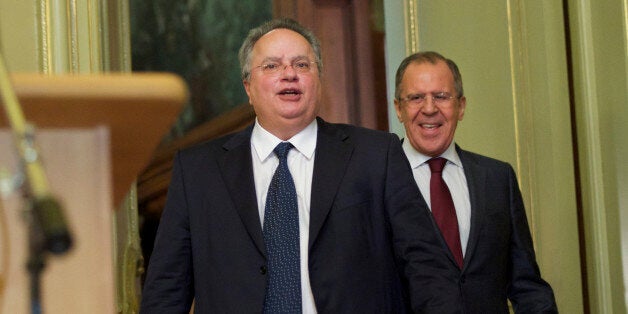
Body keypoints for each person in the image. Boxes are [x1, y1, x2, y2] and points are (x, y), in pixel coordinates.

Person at [140, 18, 445, 313]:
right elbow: (167, 288)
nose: (289, 74)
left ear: (318, 80)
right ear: (248, 86)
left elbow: (426, 266)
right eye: (272, 65)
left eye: (302, 64)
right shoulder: (198, 171)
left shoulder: (376, 155)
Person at [394, 51, 558, 313]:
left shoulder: (496, 179)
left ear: (461, 106)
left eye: (441, 96)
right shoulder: (375, 180)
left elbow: (526, 284)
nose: (429, 108)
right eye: (416, 98)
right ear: (398, 109)